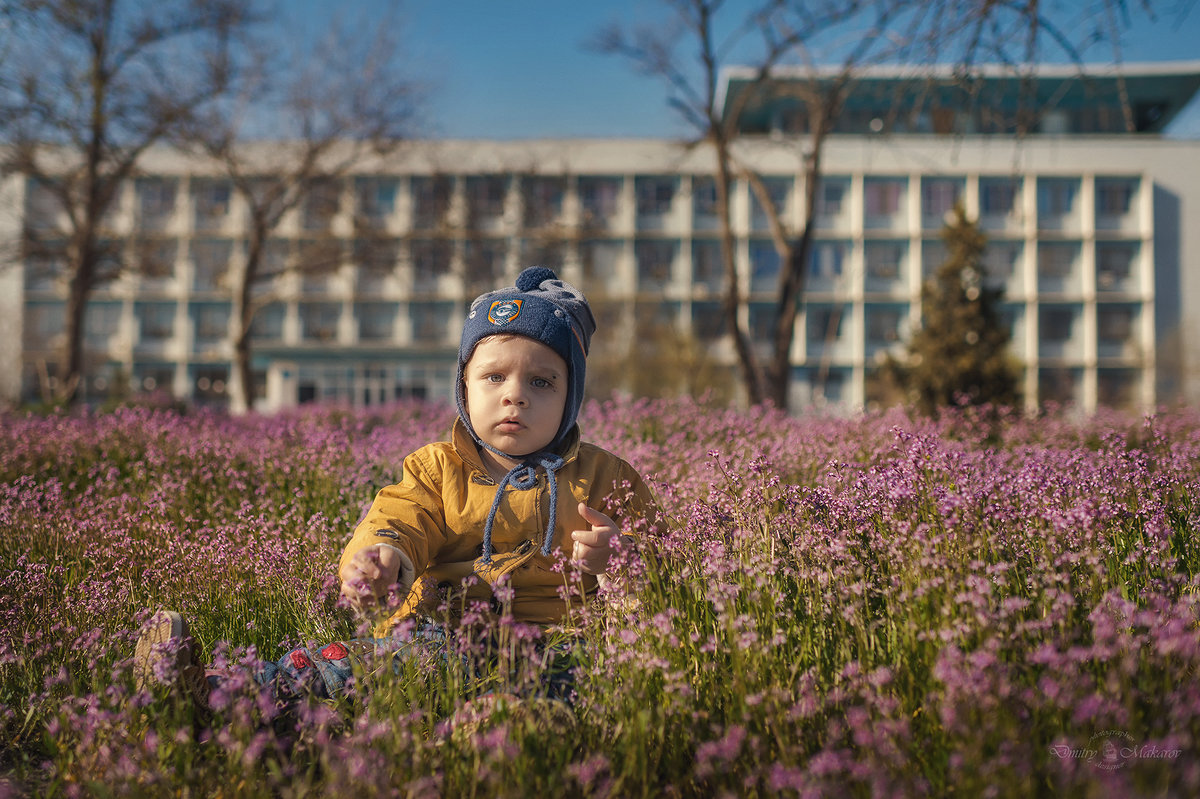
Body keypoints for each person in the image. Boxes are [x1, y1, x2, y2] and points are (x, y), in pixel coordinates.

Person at [134, 266, 661, 716]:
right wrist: (382, 557)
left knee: (576, 682)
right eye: (493, 377)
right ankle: (217, 695)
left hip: (561, 639)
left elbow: (673, 568)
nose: (515, 397)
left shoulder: (605, 476)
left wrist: (626, 561)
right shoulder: (436, 468)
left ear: (571, 398)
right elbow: (398, 519)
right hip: (446, 632)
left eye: (542, 382)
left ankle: (513, 731)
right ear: (464, 386)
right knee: (355, 665)